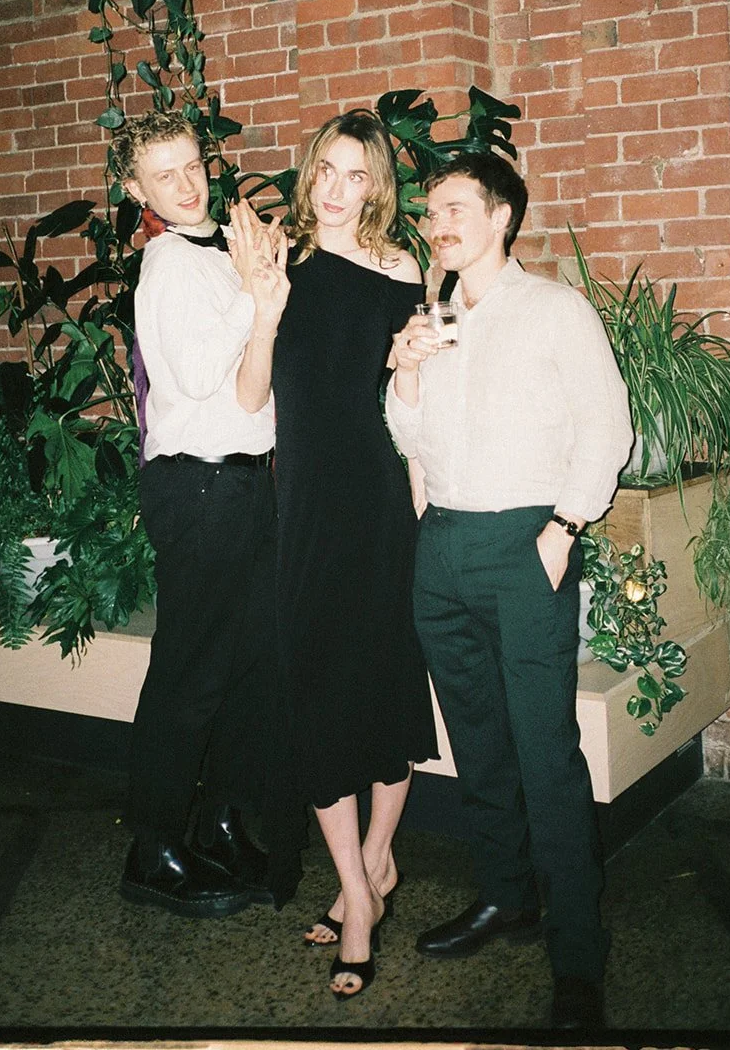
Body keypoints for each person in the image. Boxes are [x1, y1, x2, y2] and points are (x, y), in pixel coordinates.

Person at [385, 152, 633, 1032]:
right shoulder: (436, 315)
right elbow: (409, 438)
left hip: (526, 540)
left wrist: (564, 527)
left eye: (455, 208)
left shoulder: (555, 311)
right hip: (442, 542)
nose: (437, 222)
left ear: (501, 219)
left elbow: (608, 425)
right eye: (431, 210)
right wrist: (404, 368)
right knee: (477, 740)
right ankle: (504, 897)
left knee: (543, 749)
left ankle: (576, 954)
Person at [265, 108, 439, 1000]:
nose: (335, 190)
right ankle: (360, 893)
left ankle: (367, 870)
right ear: (309, 174)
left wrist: (419, 500)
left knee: (383, 678)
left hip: (374, 497)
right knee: (317, 685)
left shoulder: (401, 268)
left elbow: (413, 396)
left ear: (376, 186)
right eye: (325, 171)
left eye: (355, 176)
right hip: (299, 501)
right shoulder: (276, 262)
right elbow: (250, 385)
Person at [112, 110, 289, 918]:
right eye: (164, 176)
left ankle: (217, 821)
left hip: (245, 482)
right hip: (198, 488)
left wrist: (261, 288)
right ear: (136, 190)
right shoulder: (165, 266)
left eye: (191, 166)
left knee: (246, 668)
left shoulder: (220, 251)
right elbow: (189, 374)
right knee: (189, 675)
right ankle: (152, 849)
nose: (186, 186)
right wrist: (254, 298)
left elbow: (258, 379)